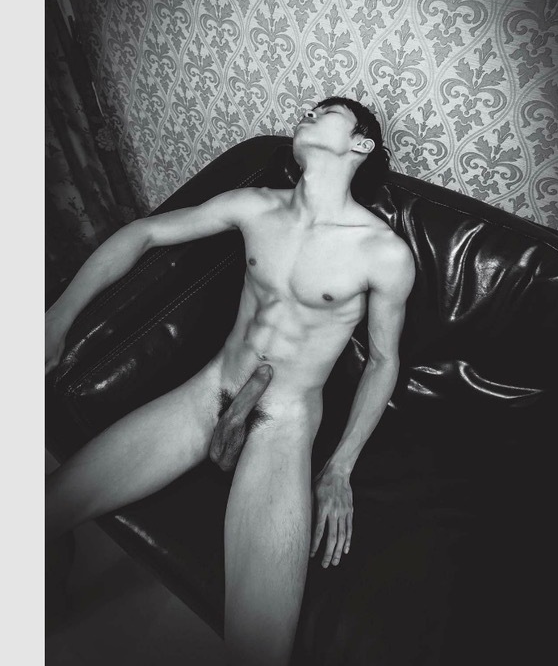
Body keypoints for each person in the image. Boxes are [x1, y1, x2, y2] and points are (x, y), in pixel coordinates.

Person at [45, 96, 416, 666]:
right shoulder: (255, 205)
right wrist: (57, 318)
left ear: (361, 144)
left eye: (326, 112)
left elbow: (384, 361)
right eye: (308, 109)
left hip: (282, 423)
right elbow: (143, 234)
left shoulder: (382, 252)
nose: (308, 112)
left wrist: (340, 466)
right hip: (209, 391)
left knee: (258, 649)